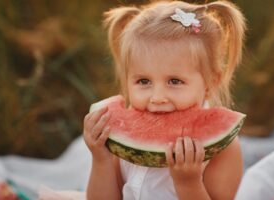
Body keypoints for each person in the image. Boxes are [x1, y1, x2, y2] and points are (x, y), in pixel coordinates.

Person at [83, 1, 246, 199]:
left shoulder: (224, 147)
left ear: (210, 83)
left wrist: (188, 183)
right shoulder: (119, 139)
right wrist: (101, 160)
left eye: (174, 81)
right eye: (143, 81)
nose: (157, 97)